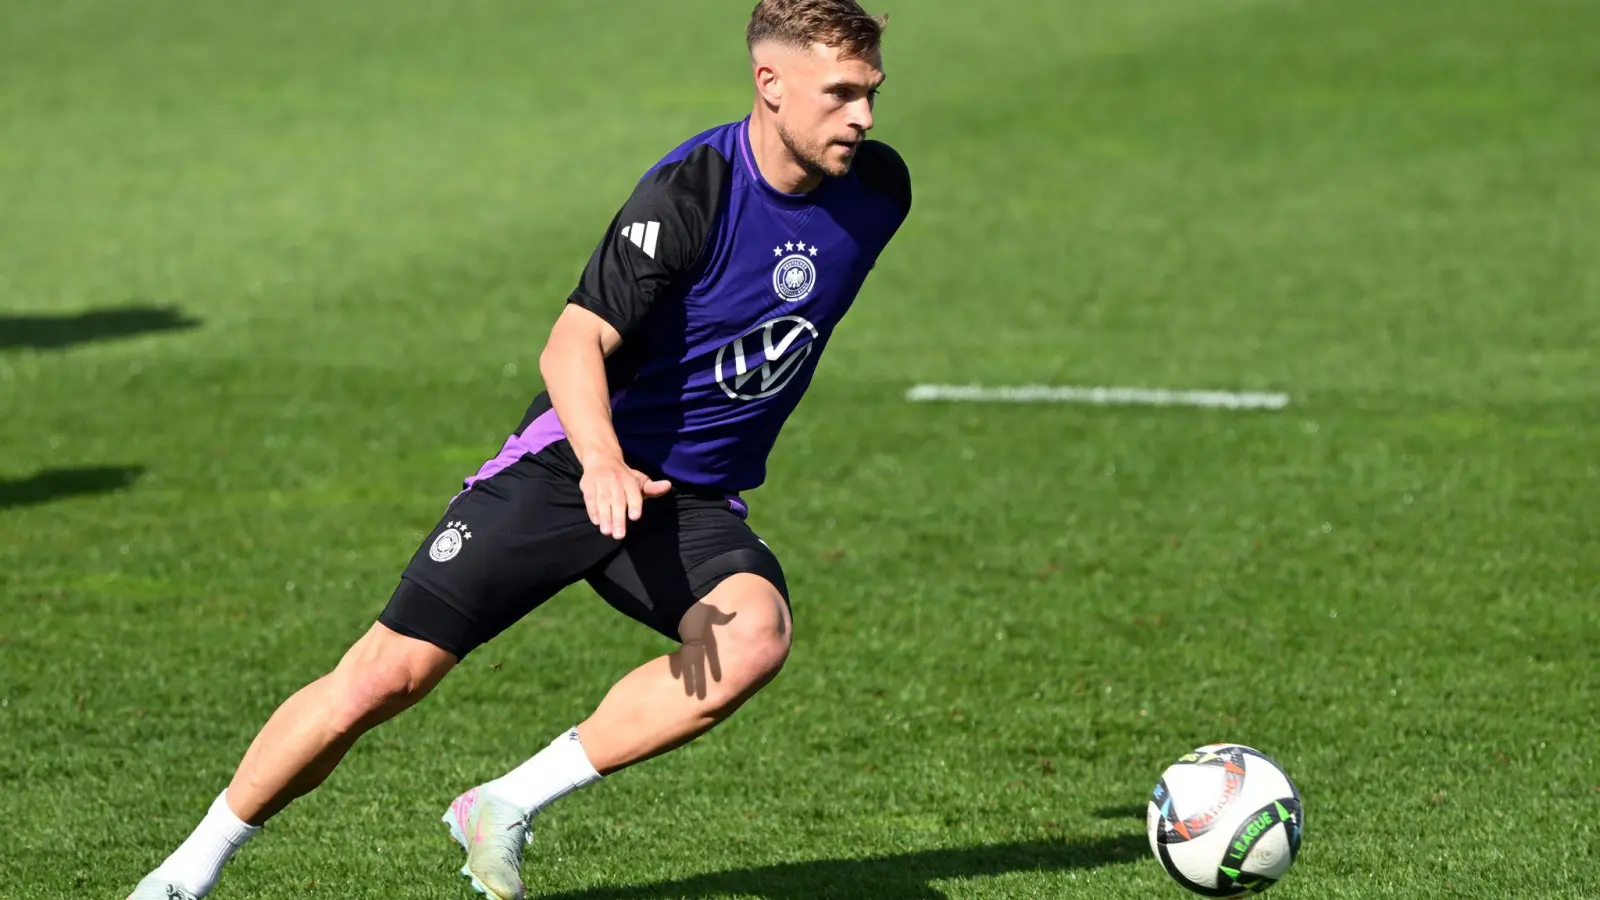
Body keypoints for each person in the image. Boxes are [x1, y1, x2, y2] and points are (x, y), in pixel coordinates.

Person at [127, 1, 909, 897]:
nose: (864, 118)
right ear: (769, 85)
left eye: (872, 92)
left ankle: (504, 801)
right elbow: (572, 343)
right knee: (386, 677)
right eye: (841, 94)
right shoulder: (691, 194)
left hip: (682, 499)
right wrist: (604, 460)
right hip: (571, 464)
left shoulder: (879, 190)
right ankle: (188, 870)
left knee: (756, 634)